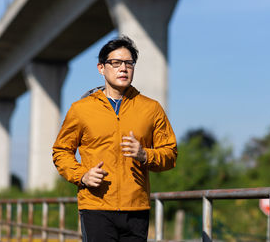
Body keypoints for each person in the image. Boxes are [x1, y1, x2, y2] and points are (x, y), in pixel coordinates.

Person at [52, 36, 177, 242]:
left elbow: (170, 153)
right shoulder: (81, 109)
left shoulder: (151, 108)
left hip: (136, 208)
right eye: (116, 63)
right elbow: (61, 151)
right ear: (101, 68)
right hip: (96, 206)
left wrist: (145, 154)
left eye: (129, 63)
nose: (123, 69)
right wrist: (82, 176)